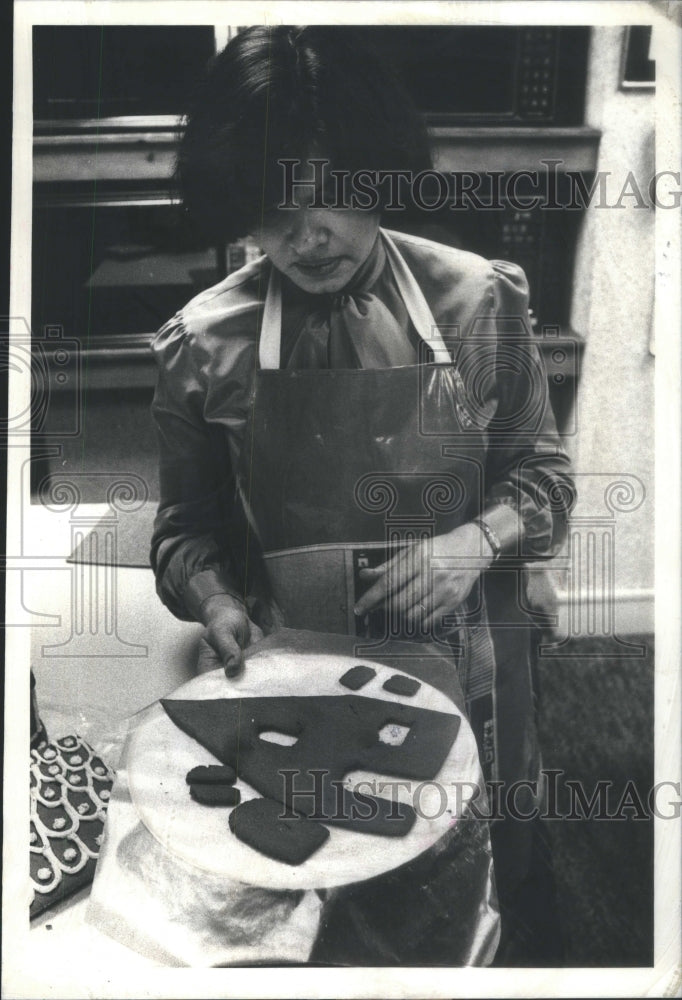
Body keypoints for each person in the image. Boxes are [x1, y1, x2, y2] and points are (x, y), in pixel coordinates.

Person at [150, 25, 574, 964]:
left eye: (337, 195)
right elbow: (184, 536)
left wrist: (473, 542)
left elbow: (546, 481)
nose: (310, 236)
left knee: (479, 891)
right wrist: (217, 603)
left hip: (470, 664)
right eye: (271, 209)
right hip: (295, 674)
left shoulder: (479, 301)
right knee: (322, 904)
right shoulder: (201, 346)